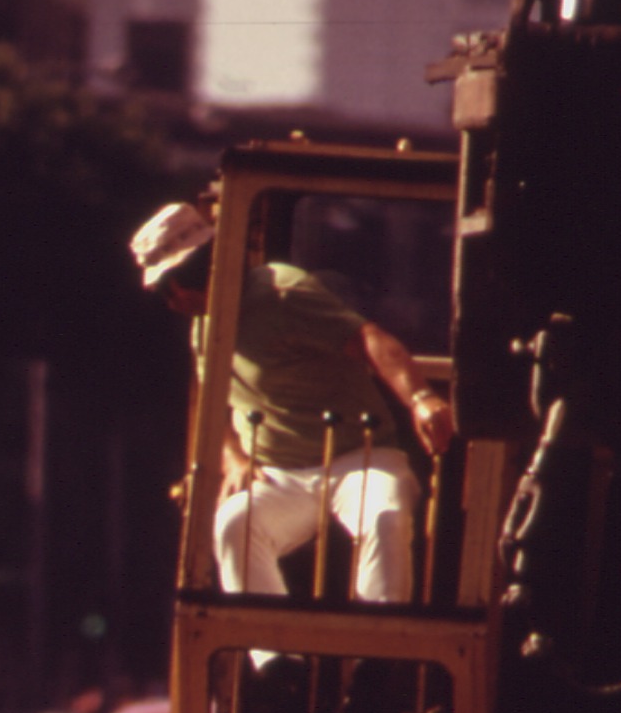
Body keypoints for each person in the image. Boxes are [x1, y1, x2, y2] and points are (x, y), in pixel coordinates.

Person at [132, 194, 458, 602]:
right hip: (279, 475)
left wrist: (422, 398)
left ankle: (375, 653)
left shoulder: (283, 292)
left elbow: (368, 339)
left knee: (385, 514)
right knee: (234, 524)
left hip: (359, 457)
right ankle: (273, 660)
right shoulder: (205, 332)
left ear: (186, 276)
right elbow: (215, 407)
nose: (171, 300)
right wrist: (234, 457)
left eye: (168, 286)